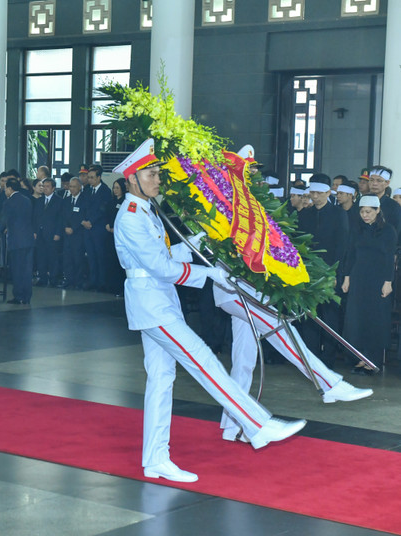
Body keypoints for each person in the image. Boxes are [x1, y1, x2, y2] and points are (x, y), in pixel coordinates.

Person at [112, 139, 306, 483]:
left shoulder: (146, 212)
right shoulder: (130, 218)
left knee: (162, 380)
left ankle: (156, 457)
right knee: (203, 360)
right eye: (152, 174)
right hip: (152, 304)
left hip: (158, 301)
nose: (158, 179)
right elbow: (163, 269)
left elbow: (169, 257)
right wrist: (209, 274)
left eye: (158, 173)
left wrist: (201, 239)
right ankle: (257, 424)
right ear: (132, 178)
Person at [213, 279, 372, 442]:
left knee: (243, 361)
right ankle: (329, 384)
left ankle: (233, 427)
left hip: (244, 292)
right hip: (236, 292)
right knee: (282, 329)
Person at [297, 173, 348, 368]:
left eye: (319, 193)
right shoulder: (305, 214)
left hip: (329, 272)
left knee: (330, 315)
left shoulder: (338, 214)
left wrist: (336, 273)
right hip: (309, 271)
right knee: (310, 313)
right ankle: (311, 357)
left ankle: (329, 359)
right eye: (313, 192)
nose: (315, 196)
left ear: (328, 192)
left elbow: (342, 245)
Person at [342, 195, 397, 375]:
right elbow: (350, 254)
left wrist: (388, 282)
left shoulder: (388, 231)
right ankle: (360, 357)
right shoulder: (357, 229)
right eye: (362, 211)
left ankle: (372, 361)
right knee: (357, 318)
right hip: (359, 277)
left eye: (368, 212)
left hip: (378, 279)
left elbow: (390, 258)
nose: (365, 215)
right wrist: (347, 277)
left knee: (375, 319)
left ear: (377, 211)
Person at [0, 178, 35, 305]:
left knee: (17, 269)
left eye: (6, 188)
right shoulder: (27, 200)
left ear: (10, 189)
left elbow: (1, 221)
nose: (5, 191)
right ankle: (27, 296)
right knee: (27, 270)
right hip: (28, 239)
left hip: (17, 241)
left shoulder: (9, 202)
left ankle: (18, 296)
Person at [82, 164, 113, 291]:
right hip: (87, 228)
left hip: (99, 228)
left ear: (99, 177)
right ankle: (92, 280)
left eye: (92, 177)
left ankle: (101, 282)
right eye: (88, 177)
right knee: (90, 256)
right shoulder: (87, 190)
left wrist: (91, 221)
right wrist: (84, 221)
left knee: (100, 256)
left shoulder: (105, 191)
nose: (89, 180)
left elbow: (103, 209)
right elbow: (83, 207)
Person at [33, 177, 63, 286]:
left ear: (53, 188)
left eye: (47, 186)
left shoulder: (59, 201)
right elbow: (35, 217)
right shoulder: (39, 200)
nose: (44, 189)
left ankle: (54, 279)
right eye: (43, 186)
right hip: (40, 234)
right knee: (41, 256)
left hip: (52, 233)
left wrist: (58, 233)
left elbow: (61, 219)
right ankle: (42, 278)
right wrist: (35, 231)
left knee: (53, 257)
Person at [58, 178, 87, 290]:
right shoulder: (66, 200)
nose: (72, 189)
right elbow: (63, 216)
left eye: (74, 186)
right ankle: (69, 280)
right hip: (67, 234)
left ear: (79, 187)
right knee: (67, 258)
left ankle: (78, 281)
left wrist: (73, 228)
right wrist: (65, 227)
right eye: (70, 186)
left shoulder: (84, 200)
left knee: (78, 258)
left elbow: (82, 216)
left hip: (78, 233)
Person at [104, 177, 127, 296]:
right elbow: (107, 214)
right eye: (114, 187)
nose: (115, 190)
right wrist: (108, 224)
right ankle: (111, 286)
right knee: (110, 261)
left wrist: (116, 229)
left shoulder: (125, 201)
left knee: (119, 263)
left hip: (119, 235)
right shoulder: (111, 201)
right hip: (109, 235)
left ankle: (121, 288)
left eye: (118, 188)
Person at [366, 166, 401, 240]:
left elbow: (395, 234)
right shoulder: (361, 203)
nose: (374, 183)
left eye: (379, 180)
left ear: (387, 183)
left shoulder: (394, 207)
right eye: (371, 180)